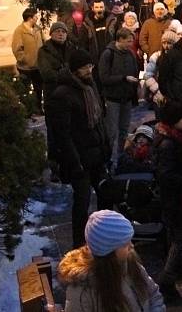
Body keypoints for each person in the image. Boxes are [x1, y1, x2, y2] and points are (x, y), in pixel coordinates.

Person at [45, 49, 111, 249]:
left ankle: (103, 236)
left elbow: (99, 121)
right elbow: (62, 134)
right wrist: (74, 163)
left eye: (90, 66)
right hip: (80, 158)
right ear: (74, 70)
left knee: (105, 195)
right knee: (82, 203)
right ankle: (80, 244)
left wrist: (105, 147)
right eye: (85, 67)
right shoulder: (62, 95)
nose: (89, 70)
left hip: (97, 153)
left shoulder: (90, 87)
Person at [58, 210, 165, 312]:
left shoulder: (130, 264)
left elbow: (154, 295)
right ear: (108, 252)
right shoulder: (82, 291)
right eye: (124, 244)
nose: (131, 246)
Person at [153, 100, 182, 304]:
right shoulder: (169, 143)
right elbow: (165, 175)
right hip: (173, 200)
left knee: (175, 237)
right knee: (180, 239)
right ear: (174, 121)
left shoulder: (178, 136)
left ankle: (177, 269)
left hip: (175, 199)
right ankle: (166, 281)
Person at [99, 28, 141, 167]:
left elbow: (135, 70)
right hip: (112, 99)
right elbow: (103, 77)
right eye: (129, 40)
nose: (131, 43)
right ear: (120, 39)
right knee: (111, 132)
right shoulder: (108, 54)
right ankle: (108, 159)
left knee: (124, 129)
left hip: (126, 98)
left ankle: (121, 157)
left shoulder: (130, 54)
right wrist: (123, 78)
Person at [12, 7, 45, 111]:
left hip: (38, 66)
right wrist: (25, 59)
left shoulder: (38, 29)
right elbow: (17, 49)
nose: (37, 17)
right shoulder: (19, 31)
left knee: (38, 89)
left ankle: (38, 108)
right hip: (25, 68)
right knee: (25, 90)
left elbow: (44, 43)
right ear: (30, 18)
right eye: (36, 16)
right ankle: (27, 111)